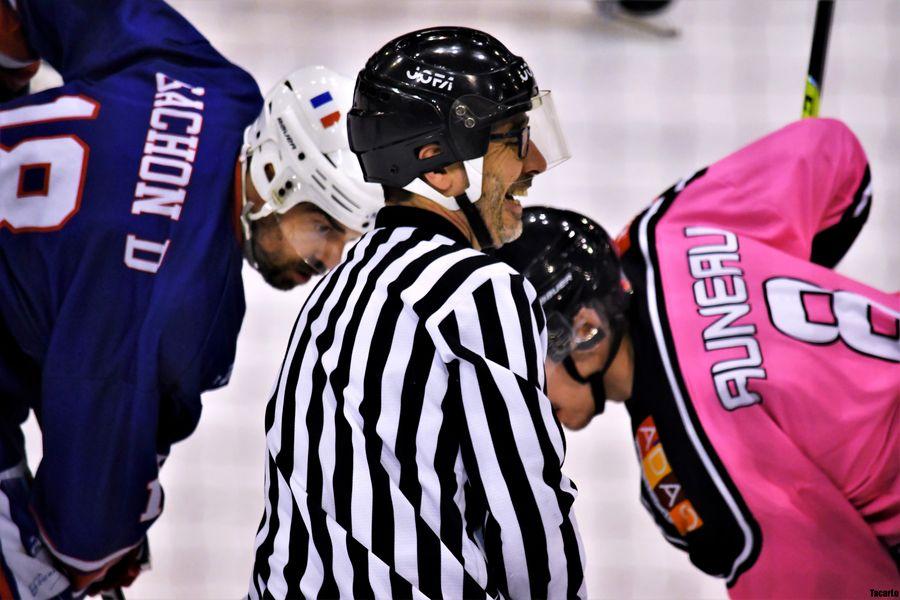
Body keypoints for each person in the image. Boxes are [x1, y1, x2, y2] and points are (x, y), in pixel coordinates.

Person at [0, 0, 381, 596]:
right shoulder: (191, 313)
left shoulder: (218, 89)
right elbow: (83, 532)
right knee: (33, 579)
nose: (332, 260)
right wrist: (111, 538)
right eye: (325, 228)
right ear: (277, 175)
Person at [492, 118, 900, 597]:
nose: (517, 395)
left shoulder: (690, 462)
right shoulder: (664, 230)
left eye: (522, 364)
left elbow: (845, 586)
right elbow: (835, 154)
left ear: (586, 331)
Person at [250, 26, 586, 599]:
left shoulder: (330, 298)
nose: (533, 163)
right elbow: (526, 517)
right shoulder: (477, 292)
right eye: (513, 138)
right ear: (438, 166)